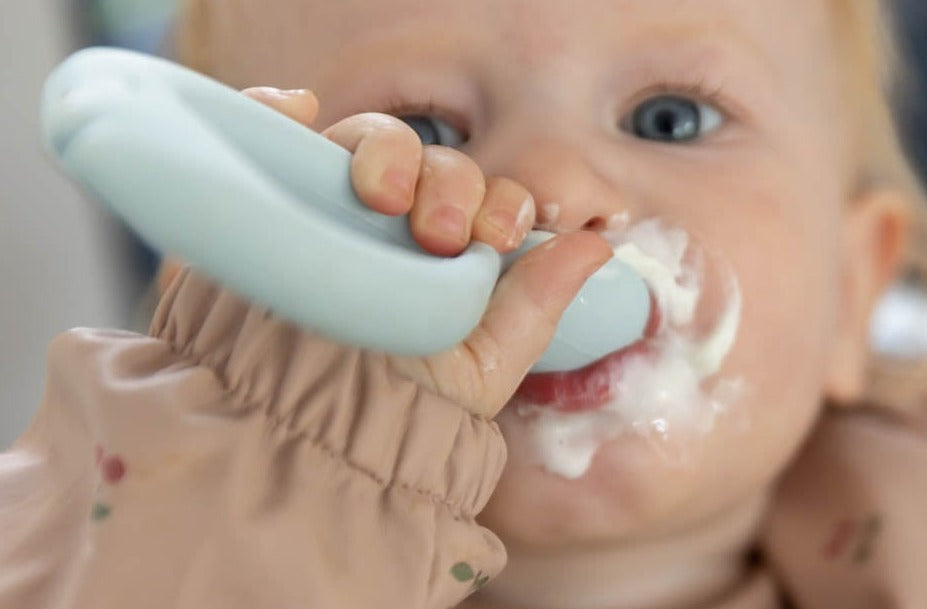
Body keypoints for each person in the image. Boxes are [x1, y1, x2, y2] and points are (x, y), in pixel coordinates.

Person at [2, 0, 926, 607]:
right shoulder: (163, 548)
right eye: (426, 131)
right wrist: (279, 433)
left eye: (669, 119)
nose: (554, 190)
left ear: (854, 288)